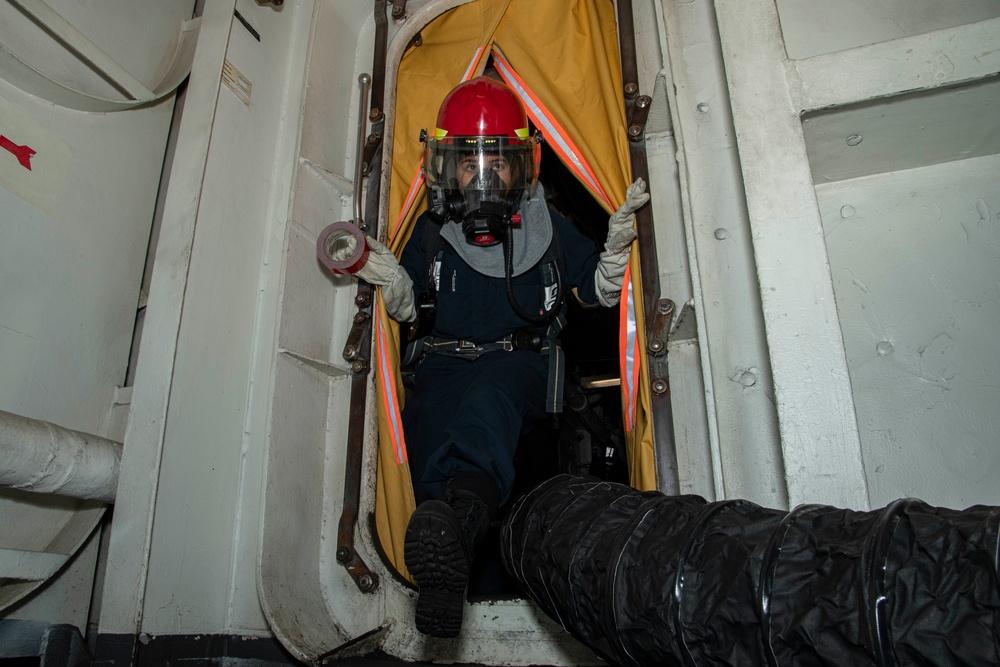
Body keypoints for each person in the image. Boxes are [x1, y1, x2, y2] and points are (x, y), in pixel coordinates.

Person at [334, 76, 649, 637]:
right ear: (446, 167)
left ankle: (461, 530)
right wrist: (390, 282)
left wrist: (615, 256)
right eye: (468, 162)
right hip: (441, 368)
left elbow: (591, 292)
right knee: (432, 473)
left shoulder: (549, 232)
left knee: (489, 403)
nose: (482, 176)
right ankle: (450, 581)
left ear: (521, 167)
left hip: (518, 364)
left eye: (498, 162)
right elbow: (410, 303)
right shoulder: (431, 233)